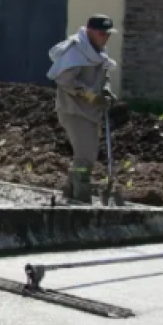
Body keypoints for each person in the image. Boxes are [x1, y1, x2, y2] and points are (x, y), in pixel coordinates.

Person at [47, 15, 117, 204]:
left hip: (91, 111)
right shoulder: (76, 51)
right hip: (73, 110)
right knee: (85, 154)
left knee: (87, 153)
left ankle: (69, 191)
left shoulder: (99, 52)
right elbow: (65, 81)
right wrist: (91, 96)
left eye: (108, 34)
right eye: (102, 33)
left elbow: (105, 77)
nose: (106, 37)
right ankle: (81, 194)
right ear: (90, 31)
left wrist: (106, 92)